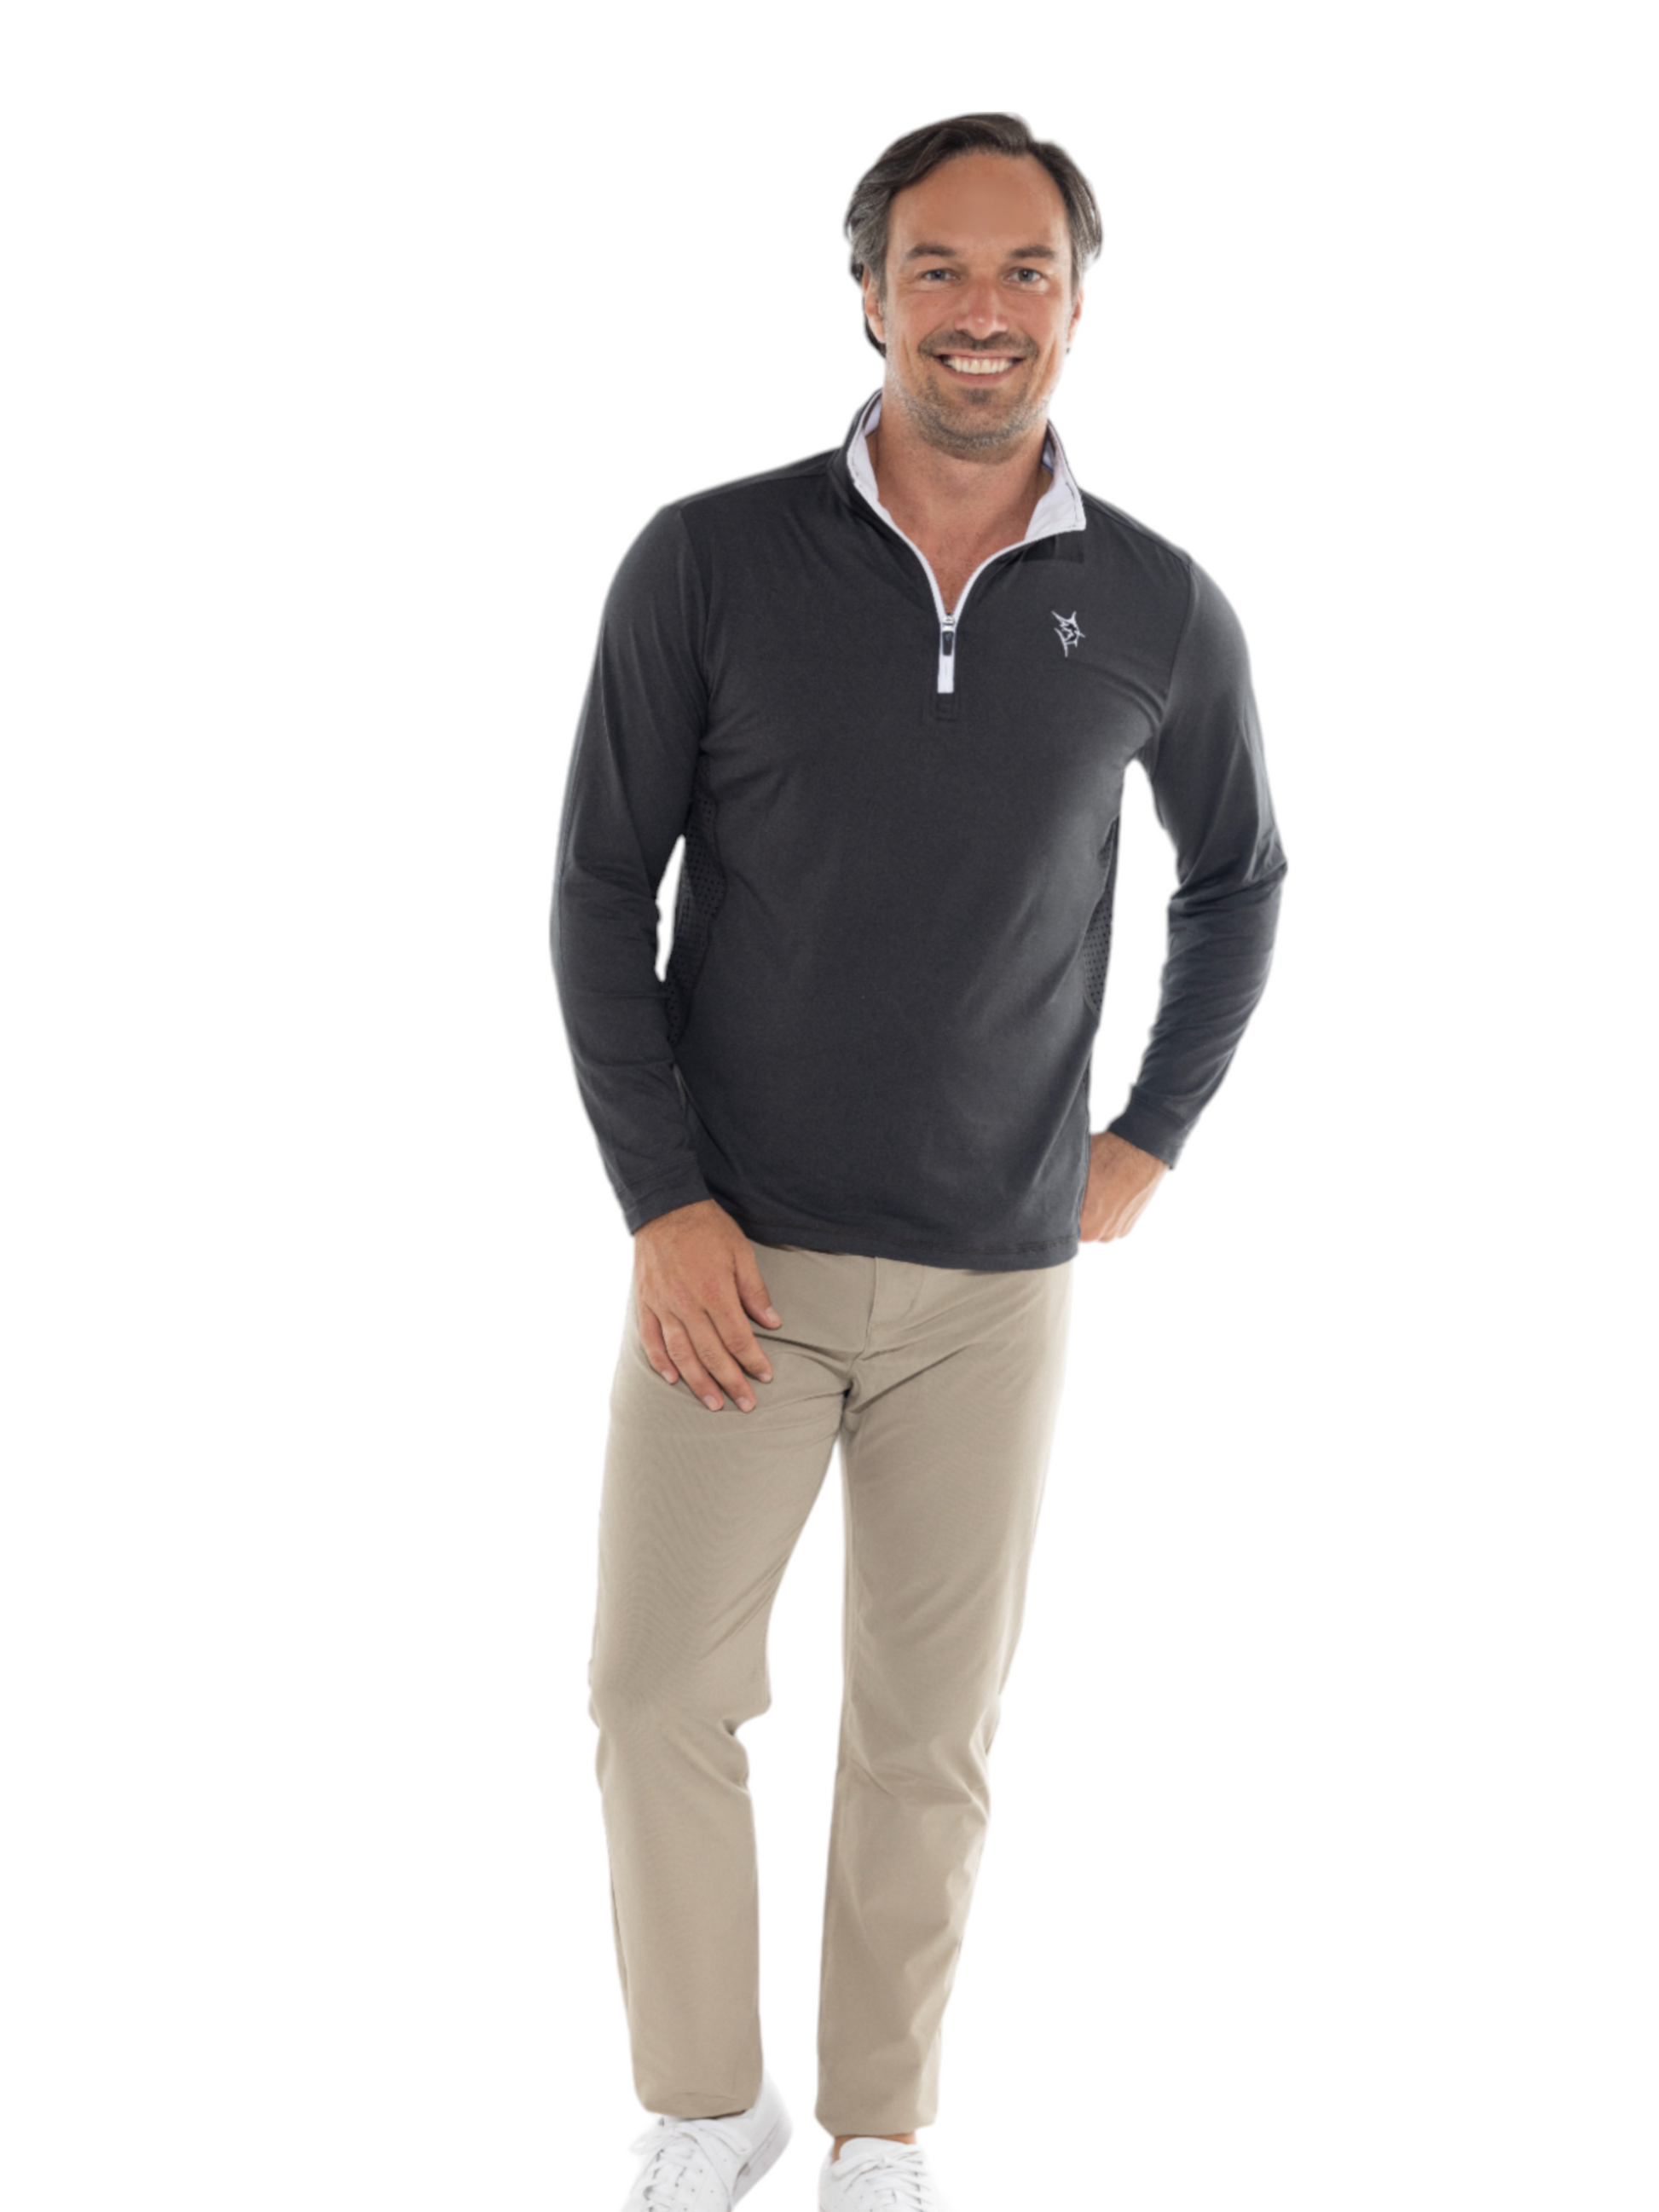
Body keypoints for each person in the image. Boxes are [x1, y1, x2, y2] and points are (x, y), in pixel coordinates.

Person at [548, 110, 1288, 2212]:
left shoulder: (1155, 605)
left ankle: (879, 2133)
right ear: (866, 296)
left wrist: (1146, 1136)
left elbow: (1238, 880)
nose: (982, 310)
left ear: (1075, 303)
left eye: (1024, 269)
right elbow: (598, 892)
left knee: (924, 1730)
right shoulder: (706, 561)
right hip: (736, 1271)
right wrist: (661, 1201)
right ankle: (708, 2108)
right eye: (938, 269)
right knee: (653, 1693)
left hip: (992, 1283)